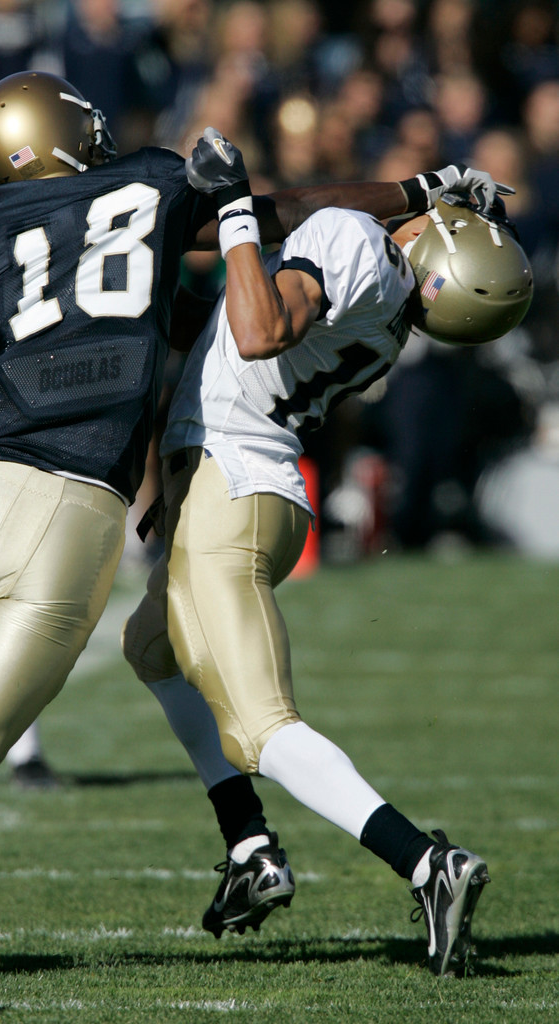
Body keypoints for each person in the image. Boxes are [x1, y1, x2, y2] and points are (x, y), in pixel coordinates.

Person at [0, 68, 501, 982]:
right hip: (94, 520)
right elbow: (283, 215)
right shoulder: (156, 191)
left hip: (15, 476)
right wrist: (419, 189)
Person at [122, 128, 532, 976]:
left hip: (233, 487)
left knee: (262, 728)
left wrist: (234, 206)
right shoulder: (390, 323)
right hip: (257, 488)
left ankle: (425, 863)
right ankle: (249, 846)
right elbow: (236, 330)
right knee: (150, 646)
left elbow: (261, 326)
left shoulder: (349, 244)